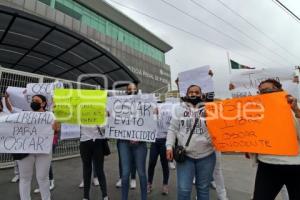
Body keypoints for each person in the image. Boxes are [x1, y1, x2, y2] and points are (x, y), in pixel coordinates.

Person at [253, 79, 300, 200]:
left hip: (295, 165)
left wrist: (296, 111)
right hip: (268, 164)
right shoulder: (256, 111)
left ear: (279, 89)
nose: (264, 93)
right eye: (261, 91)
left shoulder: (294, 106)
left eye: (268, 90)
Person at [166, 84, 216, 200]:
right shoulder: (179, 109)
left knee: (203, 189)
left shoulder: (210, 110)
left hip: (207, 156)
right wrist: (169, 146)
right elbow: (172, 129)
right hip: (185, 157)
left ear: (202, 95)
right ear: (187, 94)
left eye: (197, 92)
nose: (194, 94)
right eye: (191, 92)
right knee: (183, 190)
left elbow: (217, 132)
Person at [17, 94, 59, 200]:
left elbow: (56, 132)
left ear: (43, 103)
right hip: (26, 150)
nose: (33, 102)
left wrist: (56, 128)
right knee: (24, 178)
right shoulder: (24, 115)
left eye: (36, 100)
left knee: (42, 177)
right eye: (32, 100)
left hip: (44, 150)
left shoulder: (50, 116)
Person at [118, 83, 148, 200]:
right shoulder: (119, 106)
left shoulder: (144, 104)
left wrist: (154, 113)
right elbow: (115, 122)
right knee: (125, 174)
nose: (132, 91)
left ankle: (144, 198)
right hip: (124, 143)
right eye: (129, 89)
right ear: (126, 91)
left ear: (138, 91)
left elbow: (149, 122)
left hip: (140, 144)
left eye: (134, 89)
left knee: (141, 173)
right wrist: (109, 115)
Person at [80, 125, 109, 200]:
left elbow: (105, 127)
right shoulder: (79, 112)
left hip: (98, 141)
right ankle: (86, 196)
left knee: (99, 169)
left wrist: (101, 124)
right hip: (84, 141)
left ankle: (105, 195)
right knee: (87, 170)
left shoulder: (101, 113)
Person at [147, 102, 170, 195]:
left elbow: (168, 126)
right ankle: (149, 183)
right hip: (154, 141)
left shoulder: (169, 109)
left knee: (164, 163)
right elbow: (148, 124)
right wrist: (153, 115)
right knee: (152, 162)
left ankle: (165, 185)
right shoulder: (151, 109)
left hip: (164, 140)